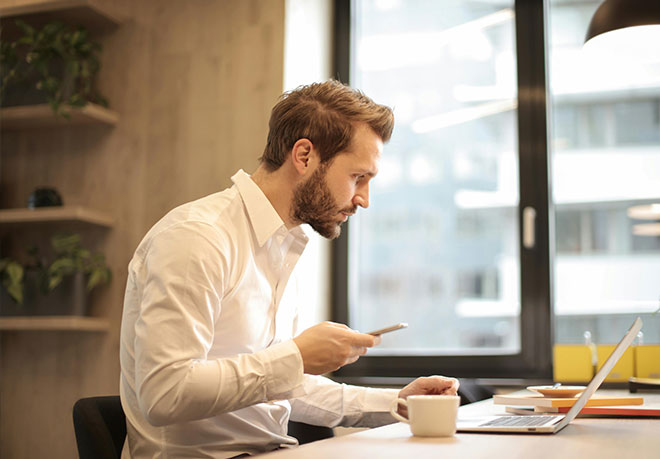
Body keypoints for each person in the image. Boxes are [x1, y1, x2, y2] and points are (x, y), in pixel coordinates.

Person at [119, 80, 458, 459]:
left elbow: (276, 385)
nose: (363, 199)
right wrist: (295, 357)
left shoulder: (283, 246)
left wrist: (396, 403)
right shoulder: (197, 237)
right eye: (357, 177)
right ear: (304, 156)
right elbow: (164, 393)